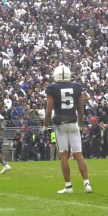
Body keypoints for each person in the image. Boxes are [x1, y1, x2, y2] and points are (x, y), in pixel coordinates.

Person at [44, 65, 93, 194]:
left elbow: (49, 111)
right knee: (78, 154)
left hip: (60, 123)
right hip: (73, 121)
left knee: (64, 155)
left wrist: (45, 126)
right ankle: (87, 183)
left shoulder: (52, 88)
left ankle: (68, 186)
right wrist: (81, 125)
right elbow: (80, 110)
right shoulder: (77, 87)